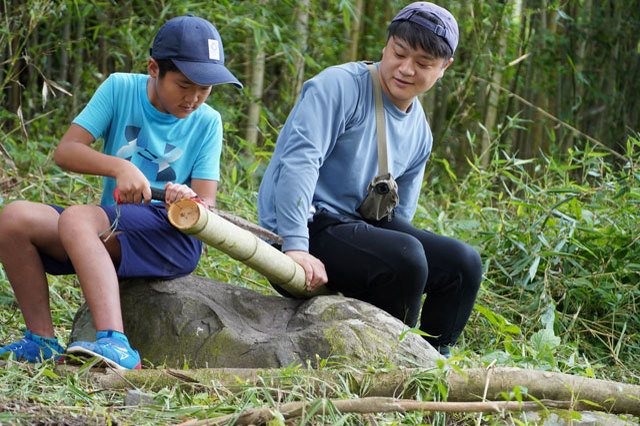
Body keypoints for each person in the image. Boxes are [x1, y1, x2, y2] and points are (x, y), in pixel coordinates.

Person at [0, 15, 242, 369]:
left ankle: (115, 343)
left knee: (77, 220)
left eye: (205, 89)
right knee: (14, 218)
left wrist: (184, 197)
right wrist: (120, 167)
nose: (193, 99)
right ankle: (41, 341)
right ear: (154, 68)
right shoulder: (120, 89)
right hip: (107, 230)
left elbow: (206, 205)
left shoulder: (208, 121)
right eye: (185, 84)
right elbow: (66, 151)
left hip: (172, 235)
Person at [257, 2, 482, 357]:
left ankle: (433, 363)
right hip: (301, 227)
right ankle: (392, 362)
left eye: (423, 64)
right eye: (399, 53)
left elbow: (397, 217)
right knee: (406, 257)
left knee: (463, 264)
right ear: (386, 44)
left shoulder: (420, 131)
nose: (406, 69)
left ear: (443, 68)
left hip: (356, 229)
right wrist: (296, 246)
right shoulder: (339, 87)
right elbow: (298, 164)